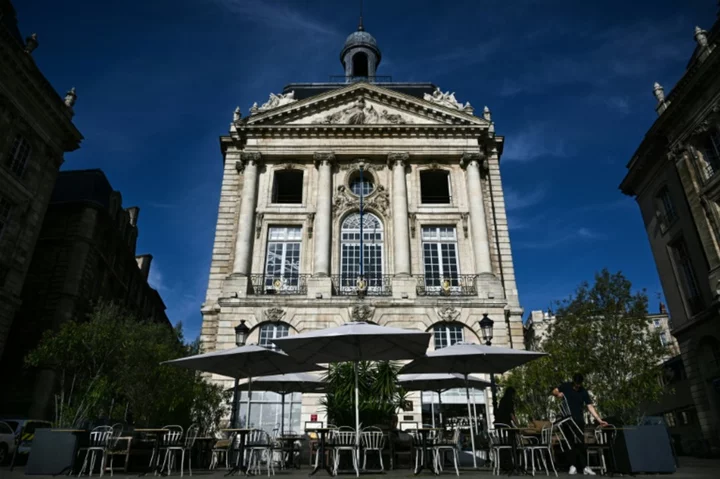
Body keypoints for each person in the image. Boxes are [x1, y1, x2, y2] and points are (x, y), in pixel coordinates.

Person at [552, 373, 608, 476]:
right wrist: (557, 394)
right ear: (573, 382)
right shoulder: (566, 386)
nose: (577, 386)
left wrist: (599, 419)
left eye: (579, 384)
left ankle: (585, 467)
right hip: (567, 419)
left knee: (581, 442)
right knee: (569, 442)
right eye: (575, 384)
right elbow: (555, 390)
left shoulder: (583, 392)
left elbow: (590, 406)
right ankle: (572, 466)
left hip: (578, 419)